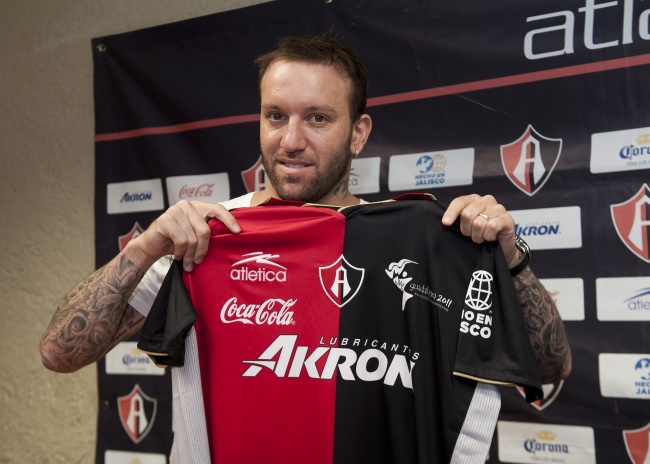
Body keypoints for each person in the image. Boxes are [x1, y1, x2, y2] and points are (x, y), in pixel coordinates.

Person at [40, 34, 571, 460]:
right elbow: (60, 352)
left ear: (358, 132)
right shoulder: (205, 238)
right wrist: (146, 247)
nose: (291, 140)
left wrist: (509, 260)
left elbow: (551, 366)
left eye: (317, 118)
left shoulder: (429, 243)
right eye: (276, 115)